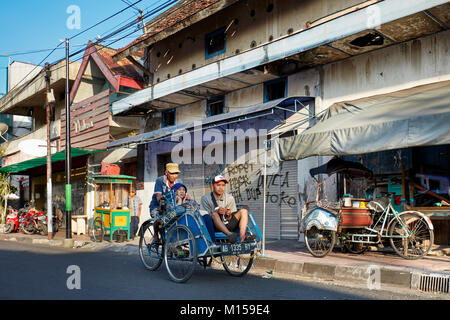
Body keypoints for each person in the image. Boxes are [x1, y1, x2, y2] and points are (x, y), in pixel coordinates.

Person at [200, 175, 256, 244]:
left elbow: (231, 216)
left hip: (228, 223)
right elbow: (205, 217)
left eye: (223, 185)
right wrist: (216, 212)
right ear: (212, 186)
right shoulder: (205, 198)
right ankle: (230, 235)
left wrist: (229, 214)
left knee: (244, 211)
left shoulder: (230, 198)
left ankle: (242, 238)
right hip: (214, 226)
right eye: (218, 185)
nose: (221, 188)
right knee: (214, 214)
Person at [149, 163, 182, 243]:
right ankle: (156, 235)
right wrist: (163, 204)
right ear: (166, 172)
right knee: (158, 217)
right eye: (172, 173)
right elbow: (158, 196)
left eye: (176, 173)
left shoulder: (179, 182)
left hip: (172, 208)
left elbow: (183, 194)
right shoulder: (160, 180)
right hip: (157, 206)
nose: (174, 176)